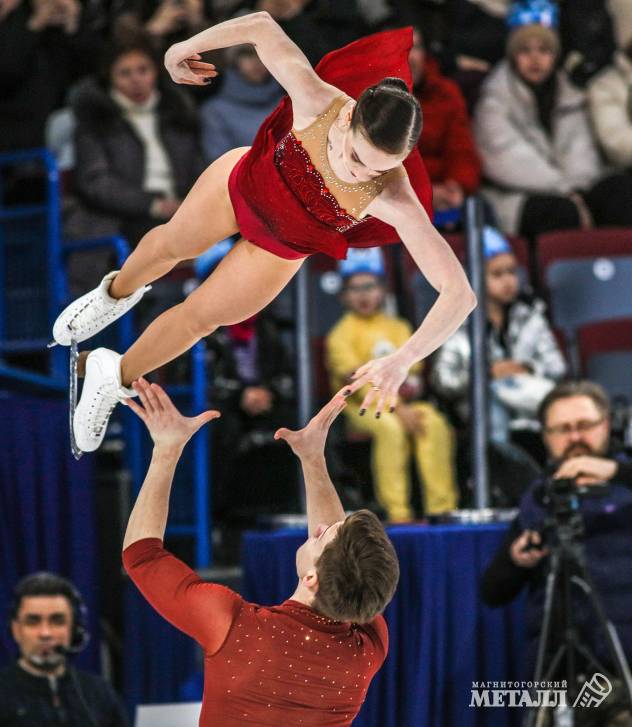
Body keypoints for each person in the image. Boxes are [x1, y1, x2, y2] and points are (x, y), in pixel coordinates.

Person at [51, 17, 476, 454]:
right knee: (172, 246)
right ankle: (114, 294)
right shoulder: (320, 101)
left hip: (282, 247)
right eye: (355, 155)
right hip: (242, 186)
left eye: (379, 168)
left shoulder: (395, 197)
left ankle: (112, 377)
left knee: (199, 318)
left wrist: (403, 359)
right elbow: (262, 26)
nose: (359, 172)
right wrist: (182, 47)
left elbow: (460, 295)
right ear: (349, 117)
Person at [122, 378, 400, 726]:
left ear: (311, 578)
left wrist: (167, 450)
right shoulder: (367, 648)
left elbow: (143, 557)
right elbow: (344, 569)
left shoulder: (235, 627)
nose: (318, 527)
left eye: (322, 536)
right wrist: (312, 458)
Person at [480, 381, 632, 723]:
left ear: (607, 425)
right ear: (546, 437)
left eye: (585, 426)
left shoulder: (625, 477)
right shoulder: (541, 497)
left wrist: (615, 472)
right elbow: (492, 591)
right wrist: (516, 560)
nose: (575, 438)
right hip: (562, 675)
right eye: (563, 429)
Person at [474, 6, 632, 245]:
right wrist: (567, 191)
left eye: (544, 50)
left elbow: (582, 150)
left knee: (619, 190)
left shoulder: (570, 94)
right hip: (518, 195)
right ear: (513, 55)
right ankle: (560, 278)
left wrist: (576, 191)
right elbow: (507, 160)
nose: (535, 59)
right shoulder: (493, 99)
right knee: (559, 212)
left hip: (574, 186)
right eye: (525, 50)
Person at [326, 248, 458, 522]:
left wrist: (403, 402)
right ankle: (397, 513)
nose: (363, 294)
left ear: (383, 289)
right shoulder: (340, 334)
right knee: (390, 429)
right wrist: (396, 408)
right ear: (343, 296)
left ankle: (441, 508)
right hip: (357, 409)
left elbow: (414, 376)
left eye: (370, 286)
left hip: (403, 404)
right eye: (355, 288)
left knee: (433, 423)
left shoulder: (398, 327)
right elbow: (357, 383)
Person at [432, 227, 566, 444]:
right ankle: (499, 471)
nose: (508, 281)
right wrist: (488, 373)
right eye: (497, 274)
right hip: (481, 404)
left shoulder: (531, 316)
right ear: (473, 277)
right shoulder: (456, 322)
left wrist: (528, 368)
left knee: (566, 400)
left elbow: (557, 368)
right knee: (491, 400)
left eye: (512, 272)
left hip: (527, 401)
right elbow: (443, 381)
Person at [0, 572, 129, 726]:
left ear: (74, 630)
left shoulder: (99, 693)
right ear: (16, 630)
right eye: (33, 622)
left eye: (57, 621)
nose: (45, 633)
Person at [408, 26, 481, 217]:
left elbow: (461, 148)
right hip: (395, 197)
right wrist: (424, 192)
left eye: (415, 48)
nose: (410, 57)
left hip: (444, 192)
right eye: (400, 50)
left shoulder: (446, 93)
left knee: (481, 213)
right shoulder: (368, 99)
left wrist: (457, 185)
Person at [200, 44, 284, 162]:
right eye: (247, 54)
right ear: (234, 62)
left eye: (262, 54)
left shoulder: (288, 103)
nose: (256, 61)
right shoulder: (215, 110)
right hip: (245, 178)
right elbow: (222, 163)